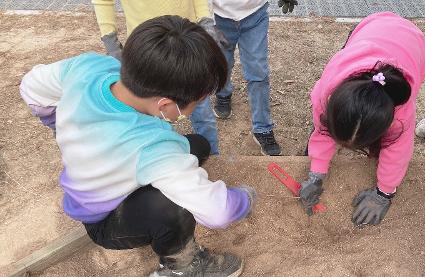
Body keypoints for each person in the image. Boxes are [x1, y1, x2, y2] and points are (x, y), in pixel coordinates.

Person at [19, 16, 255, 277]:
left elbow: (31, 87)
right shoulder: (155, 148)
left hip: (114, 168)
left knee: (197, 145)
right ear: (165, 105)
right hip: (106, 218)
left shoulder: (91, 67)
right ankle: (182, 267)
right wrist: (243, 199)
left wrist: (56, 123)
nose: (197, 107)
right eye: (197, 102)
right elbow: (217, 212)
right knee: (173, 209)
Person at [299, 12, 425, 226]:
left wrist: (384, 193)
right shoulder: (326, 90)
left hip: (413, 43)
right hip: (370, 27)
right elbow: (322, 129)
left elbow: (398, 151)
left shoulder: (400, 115)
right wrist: (316, 173)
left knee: (393, 144)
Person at [91, 0, 227, 154]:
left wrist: (205, 21)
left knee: (202, 118)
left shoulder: (86, 70)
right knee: (152, 123)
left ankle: (213, 157)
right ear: (164, 105)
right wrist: (110, 40)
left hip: (188, 52)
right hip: (149, 55)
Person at [191, 0, 298, 156]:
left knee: (258, 73)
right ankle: (223, 93)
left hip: (255, 15)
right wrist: (205, 21)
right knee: (223, 65)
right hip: (218, 17)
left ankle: (262, 128)